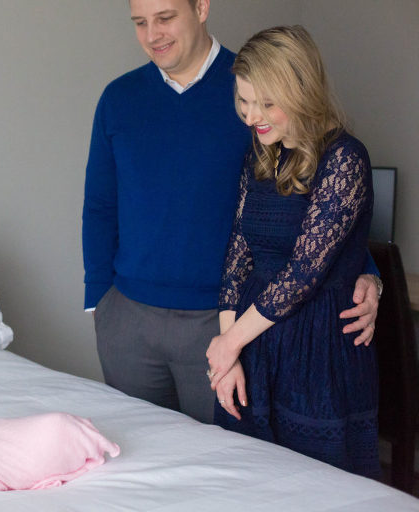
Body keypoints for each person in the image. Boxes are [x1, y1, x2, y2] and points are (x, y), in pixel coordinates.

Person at [81, 0, 381, 424]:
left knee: (228, 457)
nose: (152, 35)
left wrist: (366, 271)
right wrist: (99, 301)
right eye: (140, 23)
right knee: (135, 452)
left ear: (201, 7)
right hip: (129, 319)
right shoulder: (119, 98)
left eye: (165, 18)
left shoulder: (258, 86)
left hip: (227, 318)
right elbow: (99, 204)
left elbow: (315, 194)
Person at [206, 25, 379, 477]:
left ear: (301, 91)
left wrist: (229, 343)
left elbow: (304, 272)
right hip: (254, 342)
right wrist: (229, 356)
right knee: (245, 481)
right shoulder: (261, 155)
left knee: (317, 487)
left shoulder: (344, 159)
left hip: (316, 350)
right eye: (244, 101)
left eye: (266, 104)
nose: (251, 116)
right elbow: (238, 254)